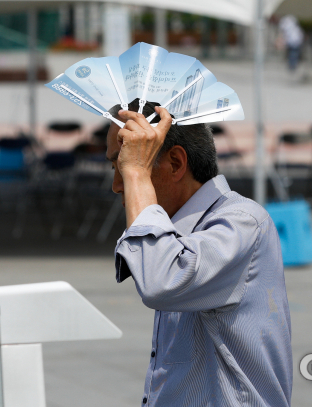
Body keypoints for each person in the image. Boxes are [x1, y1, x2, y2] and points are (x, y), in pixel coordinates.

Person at [106, 98, 293, 406]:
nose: (117, 184)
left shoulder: (241, 222)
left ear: (177, 163)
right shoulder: (176, 232)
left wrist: (137, 173)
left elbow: (159, 281)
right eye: (118, 168)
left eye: (123, 166)